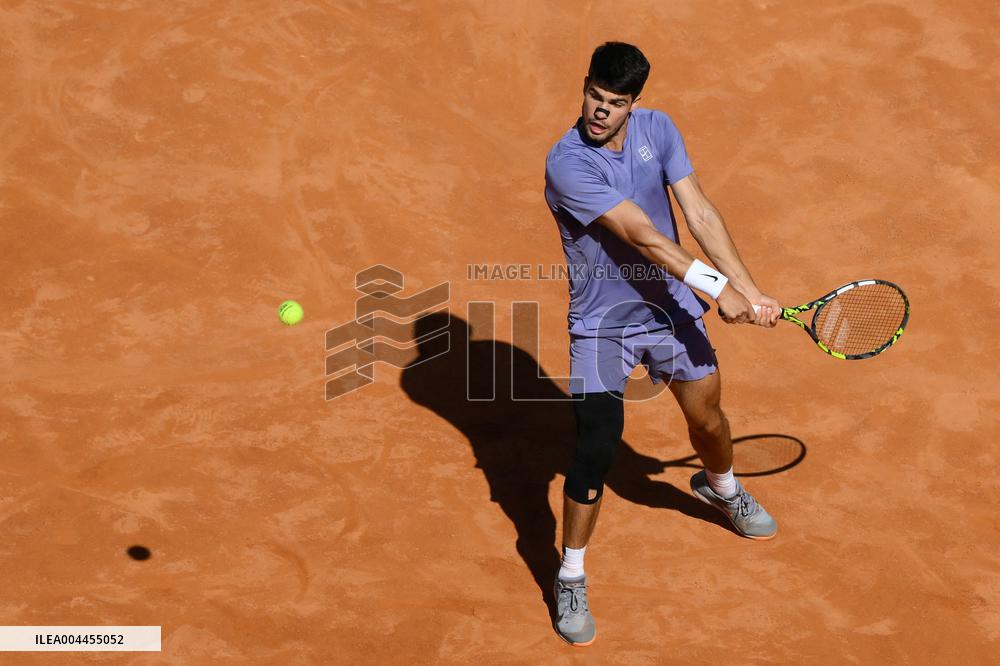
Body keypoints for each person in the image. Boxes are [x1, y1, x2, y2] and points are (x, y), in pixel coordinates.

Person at [543, 41, 782, 647]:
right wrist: (715, 286)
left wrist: (750, 292)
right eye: (594, 96)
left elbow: (697, 212)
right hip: (602, 324)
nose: (600, 111)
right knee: (596, 446)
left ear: (634, 104)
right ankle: (571, 572)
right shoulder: (568, 164)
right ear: (586, 86)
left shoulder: (660, 129)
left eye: (614, 102)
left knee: (707, 418)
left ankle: (721, 487)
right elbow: (644, 236)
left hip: (671, 312)